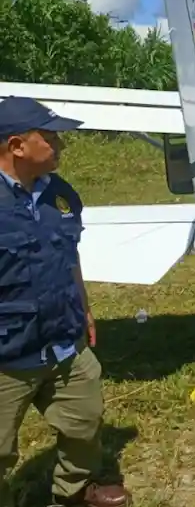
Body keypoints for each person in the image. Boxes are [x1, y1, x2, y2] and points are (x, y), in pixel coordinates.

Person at [0, 97, 132, 507]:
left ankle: (72, 494)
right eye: (51, 136)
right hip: (7, 354)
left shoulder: (60, 194)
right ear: (17, 146)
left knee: (84, 424)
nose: (62, 145)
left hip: (64, 341)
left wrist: (85, 306)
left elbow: (68, 254)